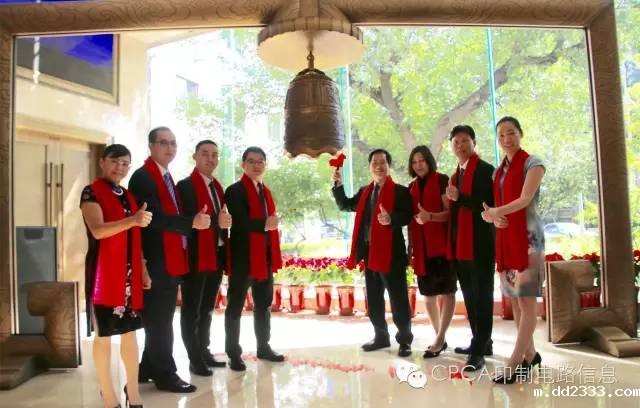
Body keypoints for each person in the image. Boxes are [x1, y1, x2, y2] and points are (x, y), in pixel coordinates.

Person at [128, 127, 210, 393]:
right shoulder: (143, 177)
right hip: (155, 260)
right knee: (159, 321)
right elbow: (154, 218)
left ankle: (147, 368)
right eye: (164, 143)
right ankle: (166, 375)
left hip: (169, 258)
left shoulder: (164, 176)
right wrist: (191, 223)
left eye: (173, 143)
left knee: (160, 319)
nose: (170, 148)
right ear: (151, 146)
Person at [80, 144, 152, 408]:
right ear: (102, 162)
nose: (119, 167)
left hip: (129, 274)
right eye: (114, 161)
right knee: (104, 335)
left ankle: (133, 392)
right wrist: (133, 220)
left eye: (124, 163)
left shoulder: (129, 196)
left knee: (131, 333)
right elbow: (98, 231)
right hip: (104, 273)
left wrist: (143, 268)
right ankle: (108, 395)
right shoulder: (91, 192)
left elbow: (135, 237)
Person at [480, 116, 545, 384]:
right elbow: (500, 208)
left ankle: (513, 363)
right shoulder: (499, 171)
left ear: (521, 133)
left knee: (526, 301)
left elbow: (525, 199)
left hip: (528, 240)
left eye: (511, 133)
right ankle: (530, 356)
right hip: (507, 238)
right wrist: (495, 218)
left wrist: (496, 212)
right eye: (501, 135)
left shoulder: (533, 163)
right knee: (515, 301)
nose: (506, 139)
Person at [332, 149, 414, 357]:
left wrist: (391, 219)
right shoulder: (365, 192)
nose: (379, 166)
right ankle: (380, 336)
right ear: (370, 167)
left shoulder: (400, 191)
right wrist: (338, 186)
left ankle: (405, 340)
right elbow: (345, 205)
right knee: (374, 298)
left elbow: (407, 215)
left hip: (392, 253)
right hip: (369, 253)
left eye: (383, 162)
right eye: (375, 163)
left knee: (398, 299)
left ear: (389, 166)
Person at [224, 146, 285, 371]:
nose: (256, 165)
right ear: (243, 165)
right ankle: (233, 353)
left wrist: (270, 227)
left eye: (260, 161)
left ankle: (263, 347)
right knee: (235, 307)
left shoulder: (265, 191)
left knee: (264, 305)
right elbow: (239, 222)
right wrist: (265, 224)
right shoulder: (234, 190)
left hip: (264, 257)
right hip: (243, 258)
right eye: (251, 161)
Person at [176, 140, 231, 376]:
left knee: (208, 307)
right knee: (192, 309)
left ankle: (204, 350)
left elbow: (219, 219)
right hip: (196, 256)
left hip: (216, 254)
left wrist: (224, 223)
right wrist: (215, 223)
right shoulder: (185, 186)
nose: (210, 158)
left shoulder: (217, 187)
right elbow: (188, 221)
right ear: (195, 157)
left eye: (214, 155)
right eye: (205, 154)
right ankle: (194, 358)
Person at [446, 125, 496, 371]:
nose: (460, 145)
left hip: (481, 244)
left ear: (474, 143)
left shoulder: (486, 170)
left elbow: (489, 205)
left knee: (482, 298)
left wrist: (460, 198)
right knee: (470, 296)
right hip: (461, 246)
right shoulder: (456, 174)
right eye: (456, 142)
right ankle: (482, 342)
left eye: (465, 140)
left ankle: (478, 351)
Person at [406, 145, 454, 359]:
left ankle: (440, 338)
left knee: (448, 292)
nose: (418, 165)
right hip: (421, 249)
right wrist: (410, 249)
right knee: (428, 296)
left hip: (442, 246)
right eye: (414, 162)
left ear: (429, 161)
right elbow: (410, 221)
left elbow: (450, 213)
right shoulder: (411, 187)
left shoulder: (442, 180)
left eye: (422, 161)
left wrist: (430, 217)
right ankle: (439, 337)